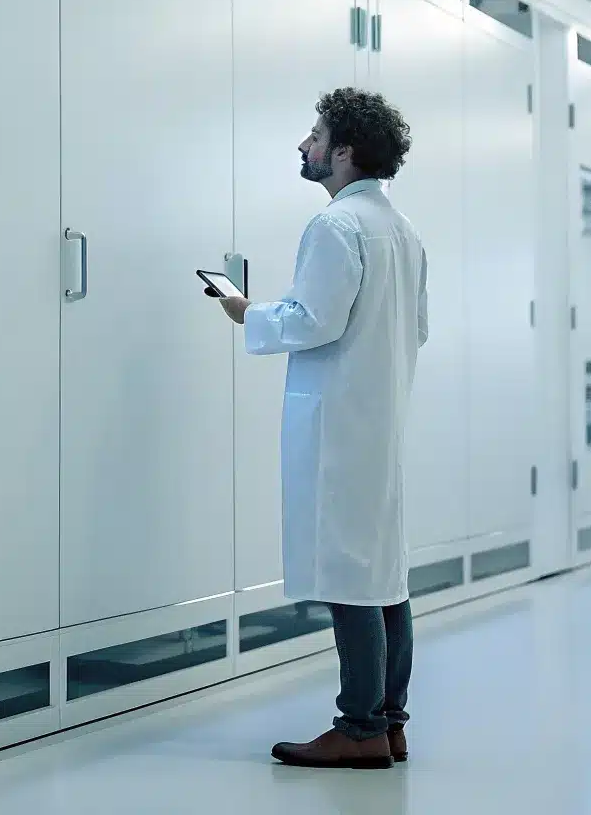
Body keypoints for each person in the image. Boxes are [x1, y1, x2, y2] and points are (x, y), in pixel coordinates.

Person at [214, 87, 427, 770]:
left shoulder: (335, 227)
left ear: (344, 151)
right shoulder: (403, 232)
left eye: (314, 135)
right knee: (383, 576)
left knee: (348, 577)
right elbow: (415, 329)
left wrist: (250, 312)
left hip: (341, 427)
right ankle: (390, 723)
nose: (303, 146)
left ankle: (359, 729)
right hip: (379, 419)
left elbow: (315, 320)